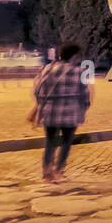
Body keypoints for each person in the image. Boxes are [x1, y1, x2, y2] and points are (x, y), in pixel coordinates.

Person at [30, 42, 93, 183]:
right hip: (70, 113)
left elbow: (37, 90)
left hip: (50, 112)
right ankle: (59, 171)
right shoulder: (80, 72)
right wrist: (83, 109)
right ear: (74, 56)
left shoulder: (47, 69)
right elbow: (85, 95)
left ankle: (47, 174)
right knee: (66, 142)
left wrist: (40, 105)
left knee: (50, 142)